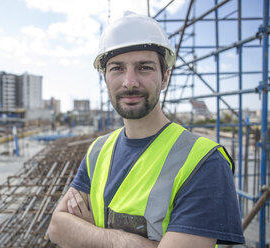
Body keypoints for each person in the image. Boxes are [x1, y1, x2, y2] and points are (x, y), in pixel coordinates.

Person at [48, 11, 244, 248]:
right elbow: (57, 227)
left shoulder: (204, 162)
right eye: (117, 69)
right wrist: (123, 241)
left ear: (165, 77)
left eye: (144, 68)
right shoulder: (97, 151)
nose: (129, 81)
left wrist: (89, 233)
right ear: (105, 78)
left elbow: (72, 233)